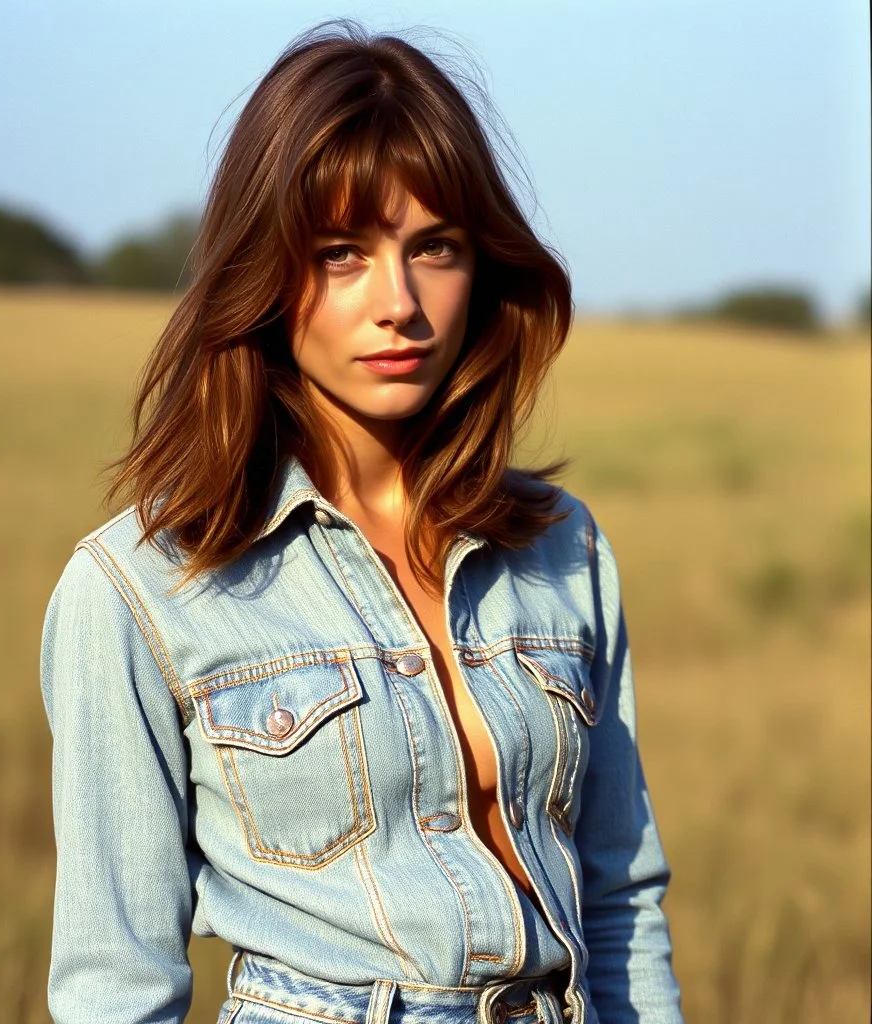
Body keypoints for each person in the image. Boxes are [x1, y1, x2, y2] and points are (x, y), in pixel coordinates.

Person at [39, 20, 683, 1024]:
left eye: (435, 248)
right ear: (265, 275)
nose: (401, 304)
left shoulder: (561, 547)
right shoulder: (137, 590)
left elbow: (617, 898)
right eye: (341, 254)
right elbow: (115, 986)